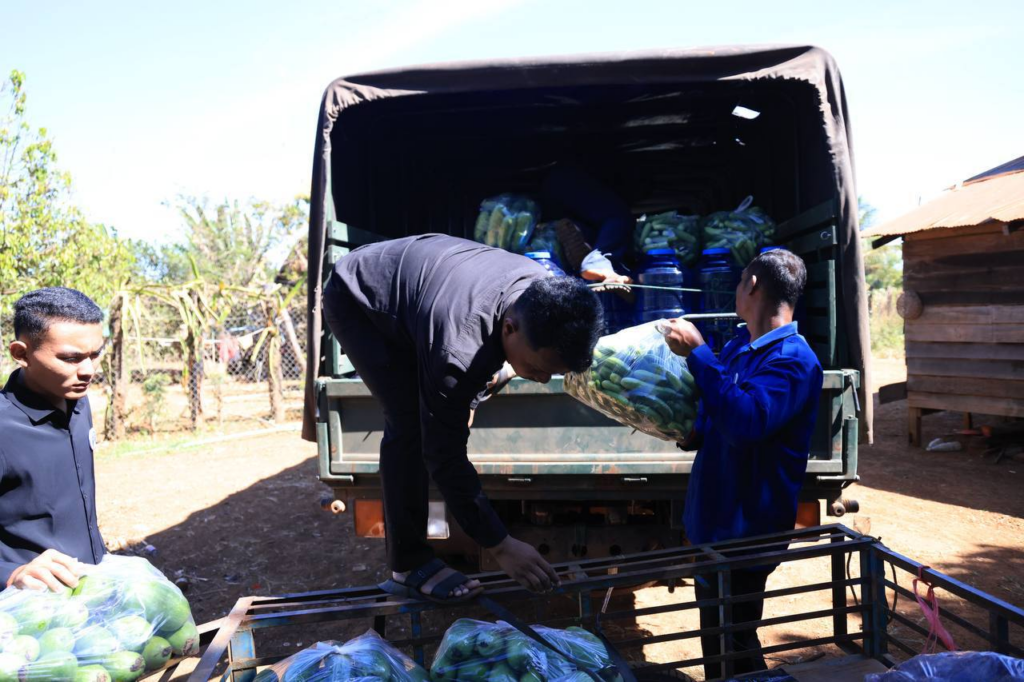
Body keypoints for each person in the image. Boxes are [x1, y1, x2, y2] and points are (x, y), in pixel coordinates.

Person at [322, 234, 604, 602]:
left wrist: (465, 397)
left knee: (452, 395)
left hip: (431, 291)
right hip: (361, 295)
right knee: (410, 423)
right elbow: (443, 456)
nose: (540, 379)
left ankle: (486, 378)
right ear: (509, 329)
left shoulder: (542, 289)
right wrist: (499, 544)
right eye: (536, 368)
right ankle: (408, 565)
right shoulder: (459, 351)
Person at [660, 249, 823, 678]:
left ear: (751, 285)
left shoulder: (793, 360)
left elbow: (746, 423)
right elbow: (719, 409)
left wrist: (699, 353)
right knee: (721, 641)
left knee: (734, 640)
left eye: (739, 281)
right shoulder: (740, 345)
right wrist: (691, 432)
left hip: (746, 530)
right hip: (715, 524)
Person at [1, 287, 107, 591]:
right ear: (21, 354)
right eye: (71, 358)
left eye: (95, 354)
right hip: (33, 605)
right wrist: (11, 574)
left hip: (89, 587)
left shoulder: (78, 402)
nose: (88, 370)